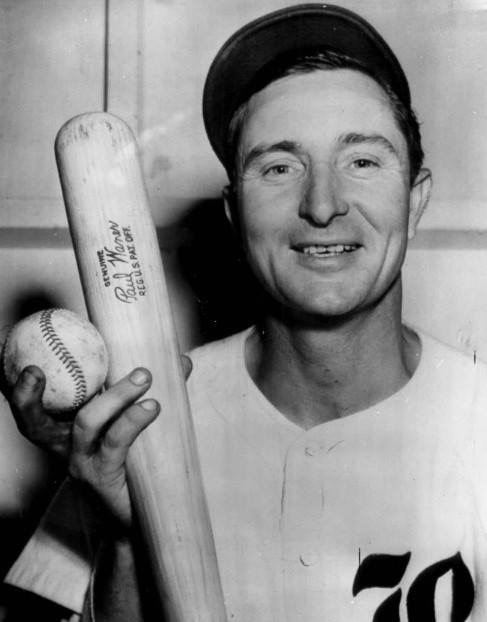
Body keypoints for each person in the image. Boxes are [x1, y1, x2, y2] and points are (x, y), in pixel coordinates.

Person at [4, 4, 487, 621]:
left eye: (362, 161)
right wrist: (127, 536)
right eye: (279, 167)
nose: (321, 204)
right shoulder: (141, 421)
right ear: (235, 216)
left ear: (414, 200)